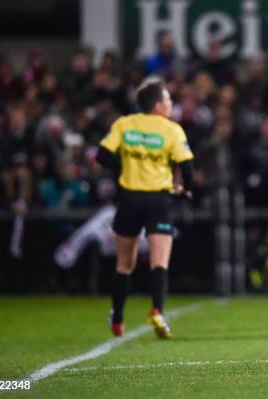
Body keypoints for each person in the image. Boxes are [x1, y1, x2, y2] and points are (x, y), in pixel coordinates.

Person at [96, 78, 194, 338]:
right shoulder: (172, 130)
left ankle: (117, 318)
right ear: (160, 105)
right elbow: (187, 167)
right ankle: (157, 311)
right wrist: (186, 187)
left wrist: (124, 167)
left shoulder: (125, 124)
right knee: (159, 261)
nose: (171, 105)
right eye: (169, 100)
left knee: (124, 264)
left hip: (129, 198)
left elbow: (102, 155)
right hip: (158, 201)